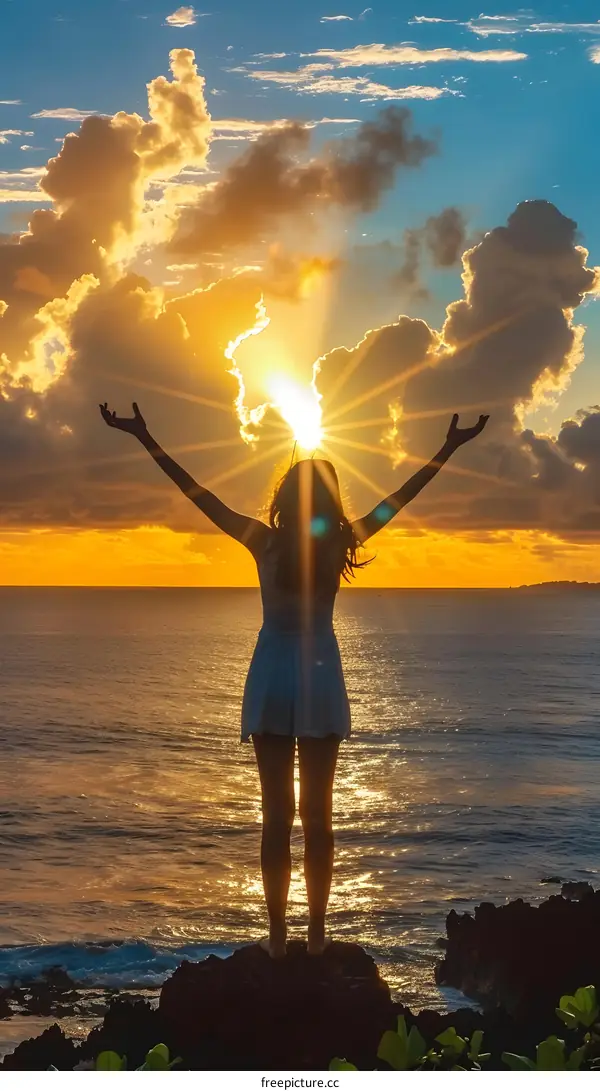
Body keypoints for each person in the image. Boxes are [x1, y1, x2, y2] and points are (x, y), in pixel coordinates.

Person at [100, 401, 489, 957]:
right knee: (319, 815)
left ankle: (279, 938)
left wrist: (145, 435)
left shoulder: (264, 542)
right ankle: (316, 936)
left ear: (284, 498)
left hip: (271, 673)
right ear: (330, 500)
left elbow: (198, 494)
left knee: (276, 814)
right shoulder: (341, 542)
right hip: (320, 675)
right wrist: (447, 449)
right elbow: (399, 500)